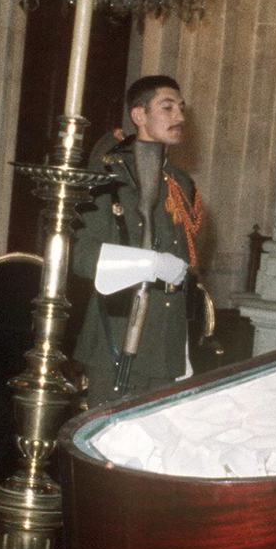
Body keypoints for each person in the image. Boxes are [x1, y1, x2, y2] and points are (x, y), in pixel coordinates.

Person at [71, 75, 201, 407]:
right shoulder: (107, 177)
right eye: (167, 107)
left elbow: (183, 273)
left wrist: (181, 348)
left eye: (181, 108)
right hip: (118, 336)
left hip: (166, 343)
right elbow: (83, 257)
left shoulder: (179, 183)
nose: (180, 117)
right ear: (139, 116)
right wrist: (150, 264)